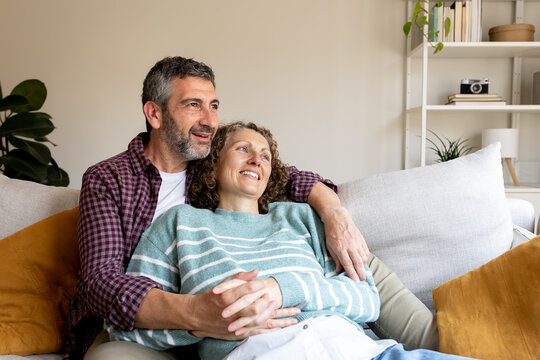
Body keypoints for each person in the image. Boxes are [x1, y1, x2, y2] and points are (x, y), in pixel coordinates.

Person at [65, 56, 370, 359]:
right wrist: (198, 315)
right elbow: (101, 282)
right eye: (193, 105)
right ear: (155, 114)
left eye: (213, 106)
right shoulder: (108, 179)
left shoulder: (212, 166)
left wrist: (334, 213)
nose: (210, 121)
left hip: (225, 330)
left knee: (355, 256)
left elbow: (286, 176)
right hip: (147, 324)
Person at [106, 122, 474, 360]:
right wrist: (198, 324)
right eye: (243, 149)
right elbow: (124, 324)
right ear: (214, 163)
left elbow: (367, 298)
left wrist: (288, 289)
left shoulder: (298, 218)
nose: (257, 159)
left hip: (365, 352)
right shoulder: (180, 226)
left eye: (265, 155)